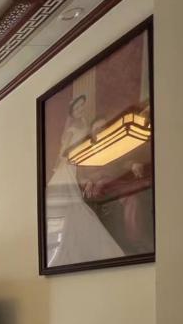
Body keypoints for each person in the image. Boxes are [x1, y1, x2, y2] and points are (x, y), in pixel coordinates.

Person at [45, 94, 124, 267]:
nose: (80, 110)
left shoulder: (87, 124)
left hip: (83, 161)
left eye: (82, 106)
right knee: (71, 205)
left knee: (75, 205)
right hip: (71, 164)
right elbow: (63, 151)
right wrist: (58, 167)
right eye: (77, 108)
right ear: (72, 112)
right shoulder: (72, 129)